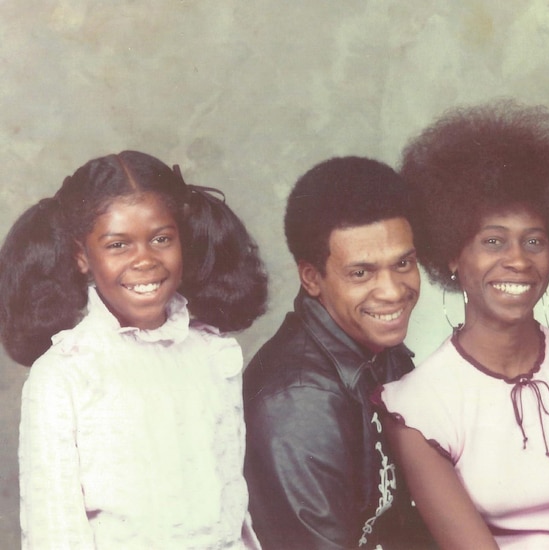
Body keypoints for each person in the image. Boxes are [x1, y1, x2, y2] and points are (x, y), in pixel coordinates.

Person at [373, 100, 549, 550]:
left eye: (534, 241)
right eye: (493, 241)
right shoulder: (417, 407)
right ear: (452, 254)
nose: (517, 260)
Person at [0, 151, 269, 548]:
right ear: (81, 256)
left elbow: (230, 505)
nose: (145, 259)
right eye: (118, 245)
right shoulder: (66, 373)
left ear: (184, 239)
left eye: (161, 239)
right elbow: (53, 531)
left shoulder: (211, 353)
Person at [243, 156, 432, 549]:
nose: (393, 290)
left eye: (403, 263)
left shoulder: (383, 351)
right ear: (312, 277)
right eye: (361, 273)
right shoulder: (299, 400)